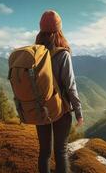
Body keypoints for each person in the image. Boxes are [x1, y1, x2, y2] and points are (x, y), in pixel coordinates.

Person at [34, 10, 84, 173]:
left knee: (44, 153)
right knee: (60, 152)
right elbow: (70, 85)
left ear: (41, 30)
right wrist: (78, 111)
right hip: (60, 110)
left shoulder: (34, 54)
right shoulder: (62, 54)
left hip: (40, 109)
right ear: (59, 30)